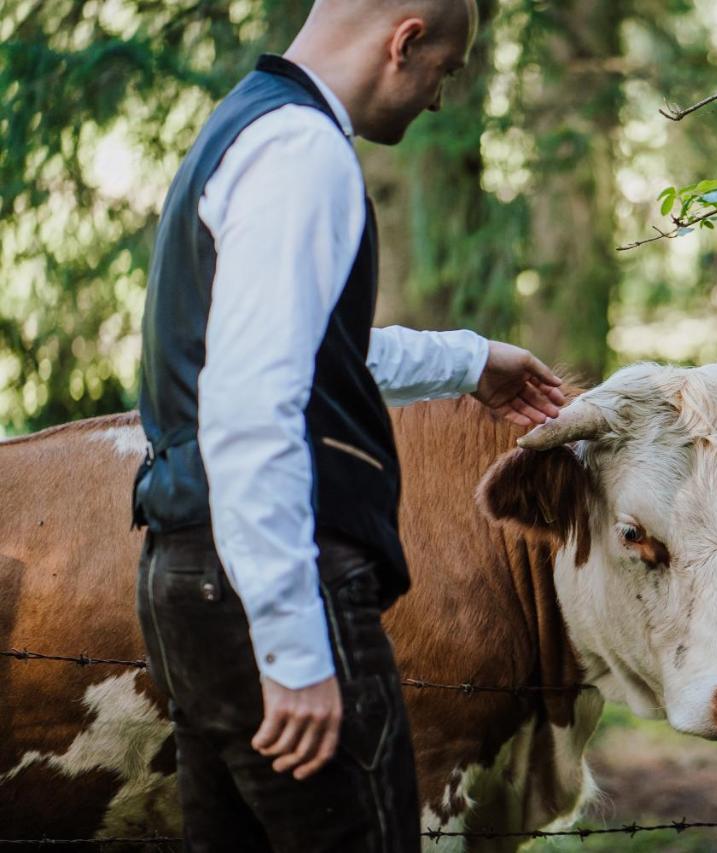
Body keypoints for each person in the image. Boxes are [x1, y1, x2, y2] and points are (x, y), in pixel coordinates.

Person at [131, 1, 565, 850]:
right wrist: (295, 650)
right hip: (270, 584)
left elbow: (301, 350)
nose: (439, 99)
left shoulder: (245, 126)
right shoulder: (304, 151)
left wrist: (471, 361)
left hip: (191, 572)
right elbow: (254, 405)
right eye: (446, 70)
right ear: (404, 41)